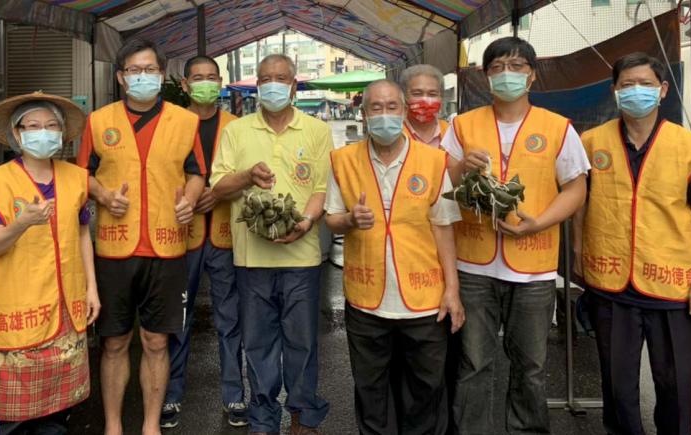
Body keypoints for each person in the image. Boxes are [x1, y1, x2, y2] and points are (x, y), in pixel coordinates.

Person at [442, 37, 590, 434]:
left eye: (517, 66)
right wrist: (459, 168)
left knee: (531, 366)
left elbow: (576, 188)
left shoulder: (557, 128)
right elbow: (441, 183)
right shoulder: (462, 125)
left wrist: (538, 223)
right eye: (497, 67)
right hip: (474, 264)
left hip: (533, 268)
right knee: (473, 363)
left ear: (532, 75)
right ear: (486, 76)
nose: (507, 74)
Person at [574, 52, 691, 435]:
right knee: (617, 388)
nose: (635, 91)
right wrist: (577, 255)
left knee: (673, 388)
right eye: (627, 84)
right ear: (614, 91)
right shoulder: (591, 143)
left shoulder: (689, 146)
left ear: (663, 90)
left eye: (645, 84)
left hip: (672, 287)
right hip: (611, 286)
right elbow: (580, 205)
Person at [76, 39, 206, 435]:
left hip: (167, 248)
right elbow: (81, 173)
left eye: (150, 70)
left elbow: (197, 172)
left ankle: (151, 426)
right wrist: (102, 195)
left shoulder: (186, 122)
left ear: (163, 74)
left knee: (155, 342)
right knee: (114, 342)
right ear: (120, 77)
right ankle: (113, 426)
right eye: (135, 70)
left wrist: (190, 199)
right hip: (114, 248)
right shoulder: (99, 121)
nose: (143, 77)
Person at [325, 79, 465, 435]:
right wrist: (349, 221)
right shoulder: (342, 161)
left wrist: (453, 290)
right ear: (363, 113)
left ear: (403, 113)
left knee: (426, 391)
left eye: (391, 107)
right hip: (366, 298)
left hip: (424, 299)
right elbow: (331, 218)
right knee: (371, 392)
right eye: (375, 108)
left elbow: (444, 227)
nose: (384, 115)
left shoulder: (434, 162)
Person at [211, 54, 331, 435]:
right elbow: (219, 186)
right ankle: (263, 420)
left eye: (281, 78)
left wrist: (307, 221)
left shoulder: (316, 130)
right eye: (266, 78)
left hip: (302, 255)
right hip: (252, 258)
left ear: (294, 85)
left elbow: (321, 189)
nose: (273, 84)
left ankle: (302, 417)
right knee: (258, 345)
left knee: (302, 343)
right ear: (257, 85)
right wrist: (246, 176)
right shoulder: (236, 131)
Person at [0, 92, 100, 434]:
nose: (42, 133)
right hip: (19, 311)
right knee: (15, 420)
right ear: (17, 134)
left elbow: (81, 234)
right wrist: (21, 223)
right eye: (33, 126)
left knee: (56, 416)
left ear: (61, 133)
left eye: (51, 126)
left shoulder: (75, 178)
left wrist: (92, 288)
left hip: (65, 312)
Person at [161, 55, 246, 429]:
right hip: (183, 232)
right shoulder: (170, 124)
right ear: (184, 84)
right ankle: (171, 394)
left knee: (230, 318)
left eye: (212, 77)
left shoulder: (237, 127)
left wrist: (221, 192)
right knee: (178, 316)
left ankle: (233, 395)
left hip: (226, 232)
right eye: (198, 78)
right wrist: (194, 196)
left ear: (222, 81)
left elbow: (249, 174)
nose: (206, 83)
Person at [399, 64, 449, 148]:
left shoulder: (452, 132)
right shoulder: (395, 134)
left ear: (441, 97)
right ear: (404, 97)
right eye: (417, 94)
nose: (425, 100)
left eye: (432, 94)